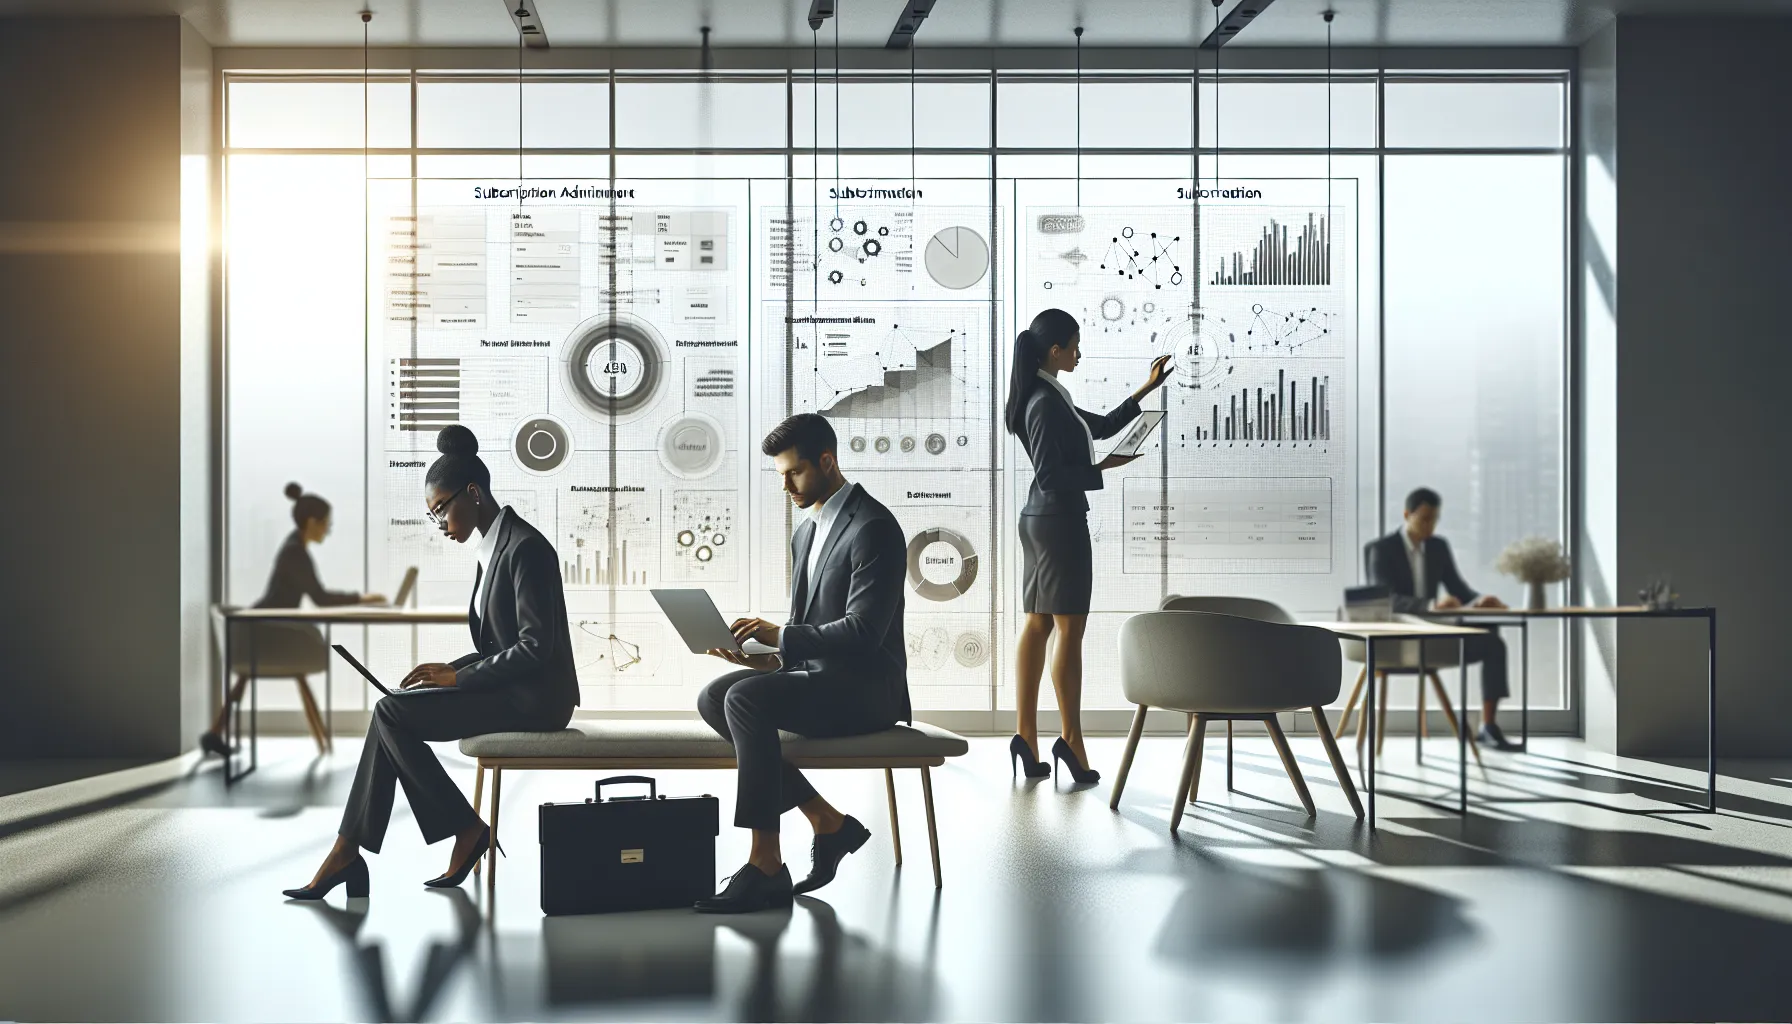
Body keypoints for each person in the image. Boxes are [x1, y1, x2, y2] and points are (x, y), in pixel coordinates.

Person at [283, 425, 580, 899]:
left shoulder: (526, 549)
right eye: (432, 515)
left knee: (390, 713)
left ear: (474, 493)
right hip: (511, 688)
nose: (440, 522)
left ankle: (451, 832)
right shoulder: (492, 550)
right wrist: (448, 671)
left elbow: (534, 648)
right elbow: (495, 647)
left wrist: (458, 677)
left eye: (442, 508)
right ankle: (350, 851)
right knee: (394, 708)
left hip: (537, 699)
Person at [694, 413, 911, 913]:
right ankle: (826, 820)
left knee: (745, 700)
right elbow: (805, 635)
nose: (786, 485)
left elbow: (862, 633)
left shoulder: (874, 528)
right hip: (820, 680)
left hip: (865, 691)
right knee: (714, 697)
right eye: (780, 476)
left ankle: (765, 863)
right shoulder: (806, 533)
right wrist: (764, 655)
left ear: (827, 461)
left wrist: (783, 636)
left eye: (794, 472)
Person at [1005, 308, 1171, 783]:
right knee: (1068, 631)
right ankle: (1072, 742)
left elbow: (1097, 428)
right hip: (1058, 523)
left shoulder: (1046, 395)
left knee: (1038, 626)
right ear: (1054, 350)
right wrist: (1105, 470)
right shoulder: (1043, 403)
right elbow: (1051, 474)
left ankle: (1026, 738)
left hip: (1042, 520)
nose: (1079, 353)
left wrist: (1145, 389)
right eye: (1074, 345)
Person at [200, 483, 385, 756]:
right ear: (312, 522)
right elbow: (320, 598)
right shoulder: (295, 553)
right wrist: (362, 598)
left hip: (258, 628)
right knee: (275, 671)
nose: (328, 530)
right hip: (267, 631)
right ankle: (218, 733)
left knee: (244, 677)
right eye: (326, 524)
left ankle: (215, 733)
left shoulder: (293, 547)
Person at [1365, 487, 1519, 751]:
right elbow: (1386, 600)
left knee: (1493, 639)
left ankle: (1488, 727)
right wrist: (1431, 605)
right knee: (1489, 638)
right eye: (1424, 519)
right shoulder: (1381, 549)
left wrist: (1479, 601)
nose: (1430, 526)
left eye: (1435, 519)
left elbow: (1458, 588)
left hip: (1436, 632)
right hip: (1399, 638)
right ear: (1407, 515)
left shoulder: (1438, 547)